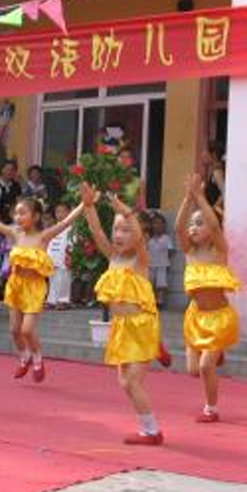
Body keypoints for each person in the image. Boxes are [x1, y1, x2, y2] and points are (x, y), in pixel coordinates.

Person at [0, 196, 84, 382]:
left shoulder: (43, 236)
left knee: (27, 330)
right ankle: (24, 356)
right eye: (16, 213)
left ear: (35, 216)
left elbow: (67, 222)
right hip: (16, 285)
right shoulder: (15, 233)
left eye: (22, 213)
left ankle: (37, 358)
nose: (18, 217)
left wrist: (85, 204)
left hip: (34, 288)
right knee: (14, 330)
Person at [81, 182, 164, 445]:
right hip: (121, 328)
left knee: (132, 383)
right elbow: (95, 231)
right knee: (124, 383)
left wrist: (127, 212)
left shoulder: (140, 259)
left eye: (125, 229)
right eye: (116, 228)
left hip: (141, 327)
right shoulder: (112, 257)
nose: (119, 234)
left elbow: (138, 236)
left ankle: (152, 432)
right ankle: (147, 428)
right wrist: (89, 206)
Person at [176, 174, 241, 423]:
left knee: (205, 367)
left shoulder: (219, 250)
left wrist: (201, 197)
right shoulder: (189, 252)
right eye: (194, 223)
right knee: (193, 371)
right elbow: (178, 227)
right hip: (195, 318)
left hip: (219, 318)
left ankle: (211, 409)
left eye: (199, 223)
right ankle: (215, 355)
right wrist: (188, 197)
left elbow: (214, 226)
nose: (194, 227)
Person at [46, 202, 72, 310]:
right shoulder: (54, 227)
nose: (60, 214)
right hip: (53, 256)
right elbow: (50, 242)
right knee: (53, 279)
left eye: (63, 211)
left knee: (64, 279)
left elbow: (72, 243)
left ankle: (63, 300)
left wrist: (70, 255)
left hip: (64, 257)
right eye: (57, 212)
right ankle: (51, 300)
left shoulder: (71, 228)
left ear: (69, 212)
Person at [147, 213, 174, 308]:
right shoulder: (149, 239)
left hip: (162, 265)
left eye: (160, 223)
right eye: (155, 223)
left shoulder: (166, 238)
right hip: (150, 265)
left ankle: (160, 301)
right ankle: (149, 300)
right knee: (149, 283)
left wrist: (165, 257)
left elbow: (171, 250)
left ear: (164, 226)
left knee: (161, 284)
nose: (157, 226)